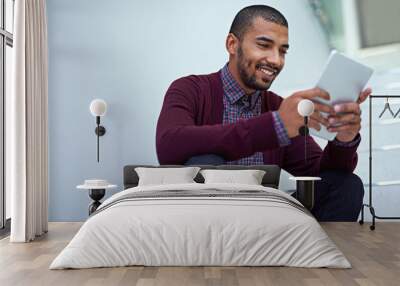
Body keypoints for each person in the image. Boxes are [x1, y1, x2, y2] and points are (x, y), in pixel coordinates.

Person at [156, 5, 372, 221]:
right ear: (232, 44)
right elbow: (169, 145)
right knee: (205, 162)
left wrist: (344, 139)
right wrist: (274, 126)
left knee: (346, 184)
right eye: (264, 45)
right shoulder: (190, 89)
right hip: (208, 223)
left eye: (282, 51)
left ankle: (319, 254)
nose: (276, 60)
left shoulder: (279, 107)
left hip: (265, 219)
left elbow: (321, 173)